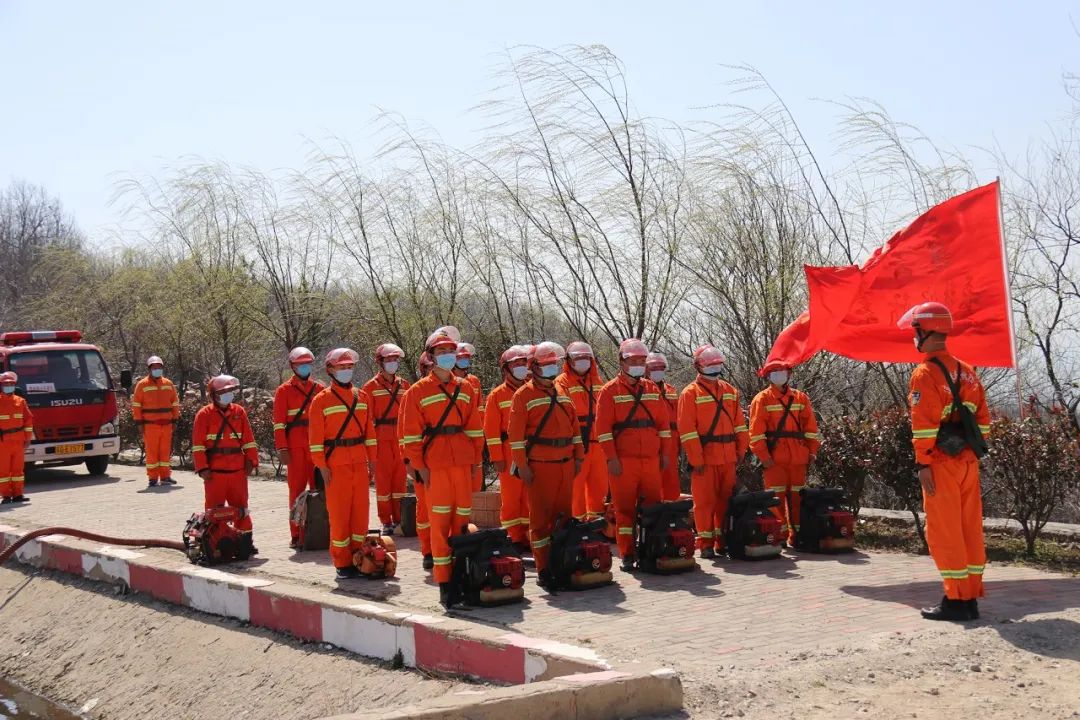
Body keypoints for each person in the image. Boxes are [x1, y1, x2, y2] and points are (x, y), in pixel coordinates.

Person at [901, 301, 991, 622]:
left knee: (944, 531)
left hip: (940, 463)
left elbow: (923, 426)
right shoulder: (967, 372)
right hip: (968, 462)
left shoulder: (925, 374)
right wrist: (968, 454)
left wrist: (923, 463)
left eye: (915, 330)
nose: (914, 336)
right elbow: (983, 423)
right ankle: (970, 596)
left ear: (925, 330)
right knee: (969, 529)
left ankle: (955, 599)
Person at [400, 326, 484, 606]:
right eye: (441, 352)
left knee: (461, 523)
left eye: (450, 351)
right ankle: (445, 584)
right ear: (431, 356)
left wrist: (474, 461)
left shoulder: (466, 388)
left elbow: (474, 428)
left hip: (461, 463)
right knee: (439, 525)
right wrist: (420, 467)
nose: (447, 356)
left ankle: (462, 578)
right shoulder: (417, 392)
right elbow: (411, 436)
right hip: (435, 466)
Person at [507, 342, 583, 588]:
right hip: (540, 467)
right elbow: (516, 438)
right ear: (534, 367)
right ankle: (543, 569)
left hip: (565, 464)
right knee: (540, 523)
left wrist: (578, 458)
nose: (551, 368)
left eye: (554, 363)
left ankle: (564, 562)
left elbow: (575, 429)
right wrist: (523, 467)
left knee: (565, 519)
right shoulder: (523, 395)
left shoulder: (562, 391)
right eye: (546, 364)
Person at [594, 339, 673, 571]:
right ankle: (627, 554)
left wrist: (665, 454)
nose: (638, 364)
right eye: (633, 360)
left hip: (650, 461)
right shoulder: (609, 391)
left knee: (653, 510)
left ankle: (652, 550)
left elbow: (663, 426)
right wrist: (612, 458)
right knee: (625, 512)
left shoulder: (651, 389)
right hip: (624, 463)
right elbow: (604, 430)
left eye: (641, 360)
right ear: (622, 361)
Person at [308, 348, 377, 580]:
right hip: (335, 465)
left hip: (358, 461)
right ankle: (342, 561)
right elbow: (315, 440)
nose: (346, 371)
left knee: (360, 514)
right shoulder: (321, 401)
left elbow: (370, 433)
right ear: (330, 370)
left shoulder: (363, 397)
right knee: (339, 515)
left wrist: (373, 462)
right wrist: (322, 466)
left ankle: (358, 556)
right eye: (341, 367)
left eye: (349, 367)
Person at [677, 346, 749, 558]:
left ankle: (722, 541)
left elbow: (739, 425)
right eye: (710, 364)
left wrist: (741, 449)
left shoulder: (730, 391)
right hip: (705, 459)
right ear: (698, 366)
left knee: (725, 502)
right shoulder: (690, 393)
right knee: (704, 503)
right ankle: (706, 543)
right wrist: (696, 459)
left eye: (717, 364)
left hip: (728, 457)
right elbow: (687, 431)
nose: (714, 368)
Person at [748, 361, 820, 547]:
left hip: (798, 458)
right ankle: (777, 537)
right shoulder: (762, 399)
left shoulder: (800, 398)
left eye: (782, 371)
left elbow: (811, 429)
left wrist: (812, 452)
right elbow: (755, 434)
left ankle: (797, 536)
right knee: (775, 502)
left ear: (789, 374)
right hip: (774, 460)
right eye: (774, 372)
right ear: (768, 375)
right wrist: (765, 458)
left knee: (798, 501)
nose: (778, 374)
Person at [192, 375, 259, 555]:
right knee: (214, 512)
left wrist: (252, 460)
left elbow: (249, 440)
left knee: (241, 510)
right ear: (213, 395)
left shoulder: (239, 412)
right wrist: (203, 468)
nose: (227, 395)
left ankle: (246, 543)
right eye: (223, 392)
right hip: (215, 474)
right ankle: (214, 545)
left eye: (229, 391)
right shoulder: (204, 415)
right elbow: (198, 446)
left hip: (237, 472)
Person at [273, 347, 326, 548]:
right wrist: (282, 448)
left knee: (318, 490)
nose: (304, 367)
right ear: (293, 366)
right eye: (300, 364)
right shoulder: (283, 391)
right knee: (296, 491)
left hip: (315, 446)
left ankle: (318, 529)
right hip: (295, 448)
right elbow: (279, 424)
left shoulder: (319, 389)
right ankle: (296, 533)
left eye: (307, 363)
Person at [483, 345, 532, 550]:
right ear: (505, 369)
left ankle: (531, 536)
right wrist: (497, 458)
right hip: (508, 450)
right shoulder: (496, 395)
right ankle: (513, 537)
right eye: (515, 364)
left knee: (530, 497)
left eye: (523, 363)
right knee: (512, 498)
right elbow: (491, 431)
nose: (521, 367)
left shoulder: (533, 390)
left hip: (531, 450)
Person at [556, 342, 609, 521]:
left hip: (598, 446)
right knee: (575, 490)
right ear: (569, 360)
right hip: (576, 446)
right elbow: (563, 415)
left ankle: (597, 527)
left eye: (586, 358)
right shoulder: (561, 382)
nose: (582, 361)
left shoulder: (598, 382)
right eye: (578, 358)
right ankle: (575, 527)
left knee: (599, 489)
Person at [362, 343, 410, 536]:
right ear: (380, 363)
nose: (392, 363)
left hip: (400, 438)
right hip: (380, 439)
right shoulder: (370, 387)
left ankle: (399, 518)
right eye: (388, 360)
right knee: (383, 483)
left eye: (394, 360)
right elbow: (367, 419)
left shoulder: (405, 385)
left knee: (399, 482)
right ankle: (386, 520)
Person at [400, 352, 435, 570]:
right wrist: (409, 463)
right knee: (424, 510)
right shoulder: (413, 394)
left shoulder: (455, 389)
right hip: (422, 462)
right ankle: (429, 550)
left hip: (443, 462)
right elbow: (404, 435)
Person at [132, 355, 181, 487]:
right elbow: (136, 405)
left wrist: (175, 420)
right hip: (150, 425)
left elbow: (175, 403)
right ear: (149, 369)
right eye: (154, 367)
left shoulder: (168, 384)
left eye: (159, 367)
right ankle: (153, 478)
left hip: (167, 424)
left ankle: (165, 476)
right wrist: (139, 423)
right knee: (152, 452)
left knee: (165, 451)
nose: (157, 369)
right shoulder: (142, 385)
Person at [647, 352, 682, 501]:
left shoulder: (671, 391)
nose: (658, 370)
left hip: (672, 443)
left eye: (661, 367)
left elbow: (679, 418)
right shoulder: (642, 390)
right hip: (651, 442)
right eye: (654, 367)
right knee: (652, 480)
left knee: (671, 480)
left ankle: (672, 514)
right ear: (646, 369)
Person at [453, 342, 486, 491]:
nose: (465, 361)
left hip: (474, 435)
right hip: (456, 436)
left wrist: (481, 433)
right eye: (461, 358)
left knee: (476, 479)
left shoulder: (474, 381)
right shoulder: (447, 380)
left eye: (467, 358)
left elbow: (480, 409)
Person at [0, 372, 33, 504]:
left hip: (18, 441)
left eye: (11, 384)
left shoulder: (21, 401)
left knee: (18, 470)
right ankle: (6, 496)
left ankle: (18, 494)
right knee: (3, 471)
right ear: (1, 386)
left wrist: (28, 439)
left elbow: (28, 421)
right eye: (6, 384)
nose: (9, 386)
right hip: (2, 442)